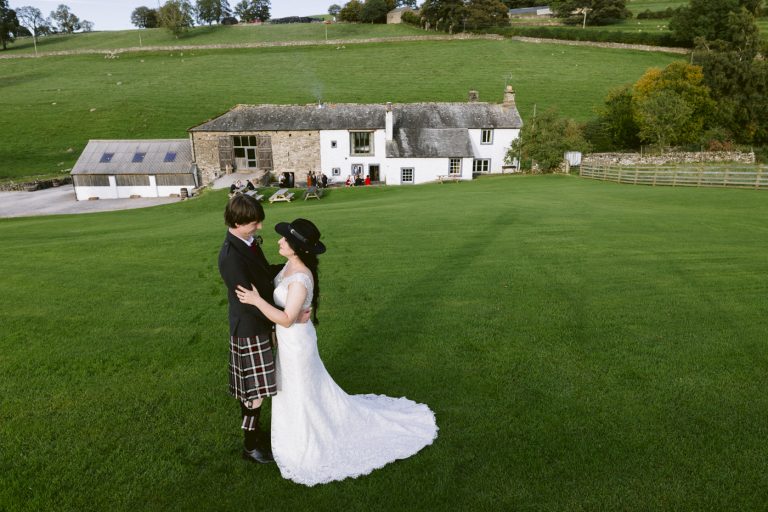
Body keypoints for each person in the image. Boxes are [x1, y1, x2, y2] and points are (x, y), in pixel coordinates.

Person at [235, 219, 438, 486]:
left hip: (296, 345)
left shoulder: (300, 278)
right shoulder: (289, 267)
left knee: (299, 391)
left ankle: (307, 440)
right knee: (292, 390)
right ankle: (291, 433)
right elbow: (290, 314)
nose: (280, 241)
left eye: (285, 239)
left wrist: (257, 301)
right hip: (289, 340)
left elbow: (285, 318)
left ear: (296, 247)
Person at [217, 195, 310, 465]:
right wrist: (280, 320)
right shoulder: (230, 257)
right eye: (254, 223)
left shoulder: (246, 242)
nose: (259, 228)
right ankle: (250, 446)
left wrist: (294, 271)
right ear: (237, 222)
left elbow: (261, 276)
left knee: (255, 389)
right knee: (253, 392)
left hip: (258, 324)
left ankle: (255, 435)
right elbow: (248, 302)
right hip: (249, 328)